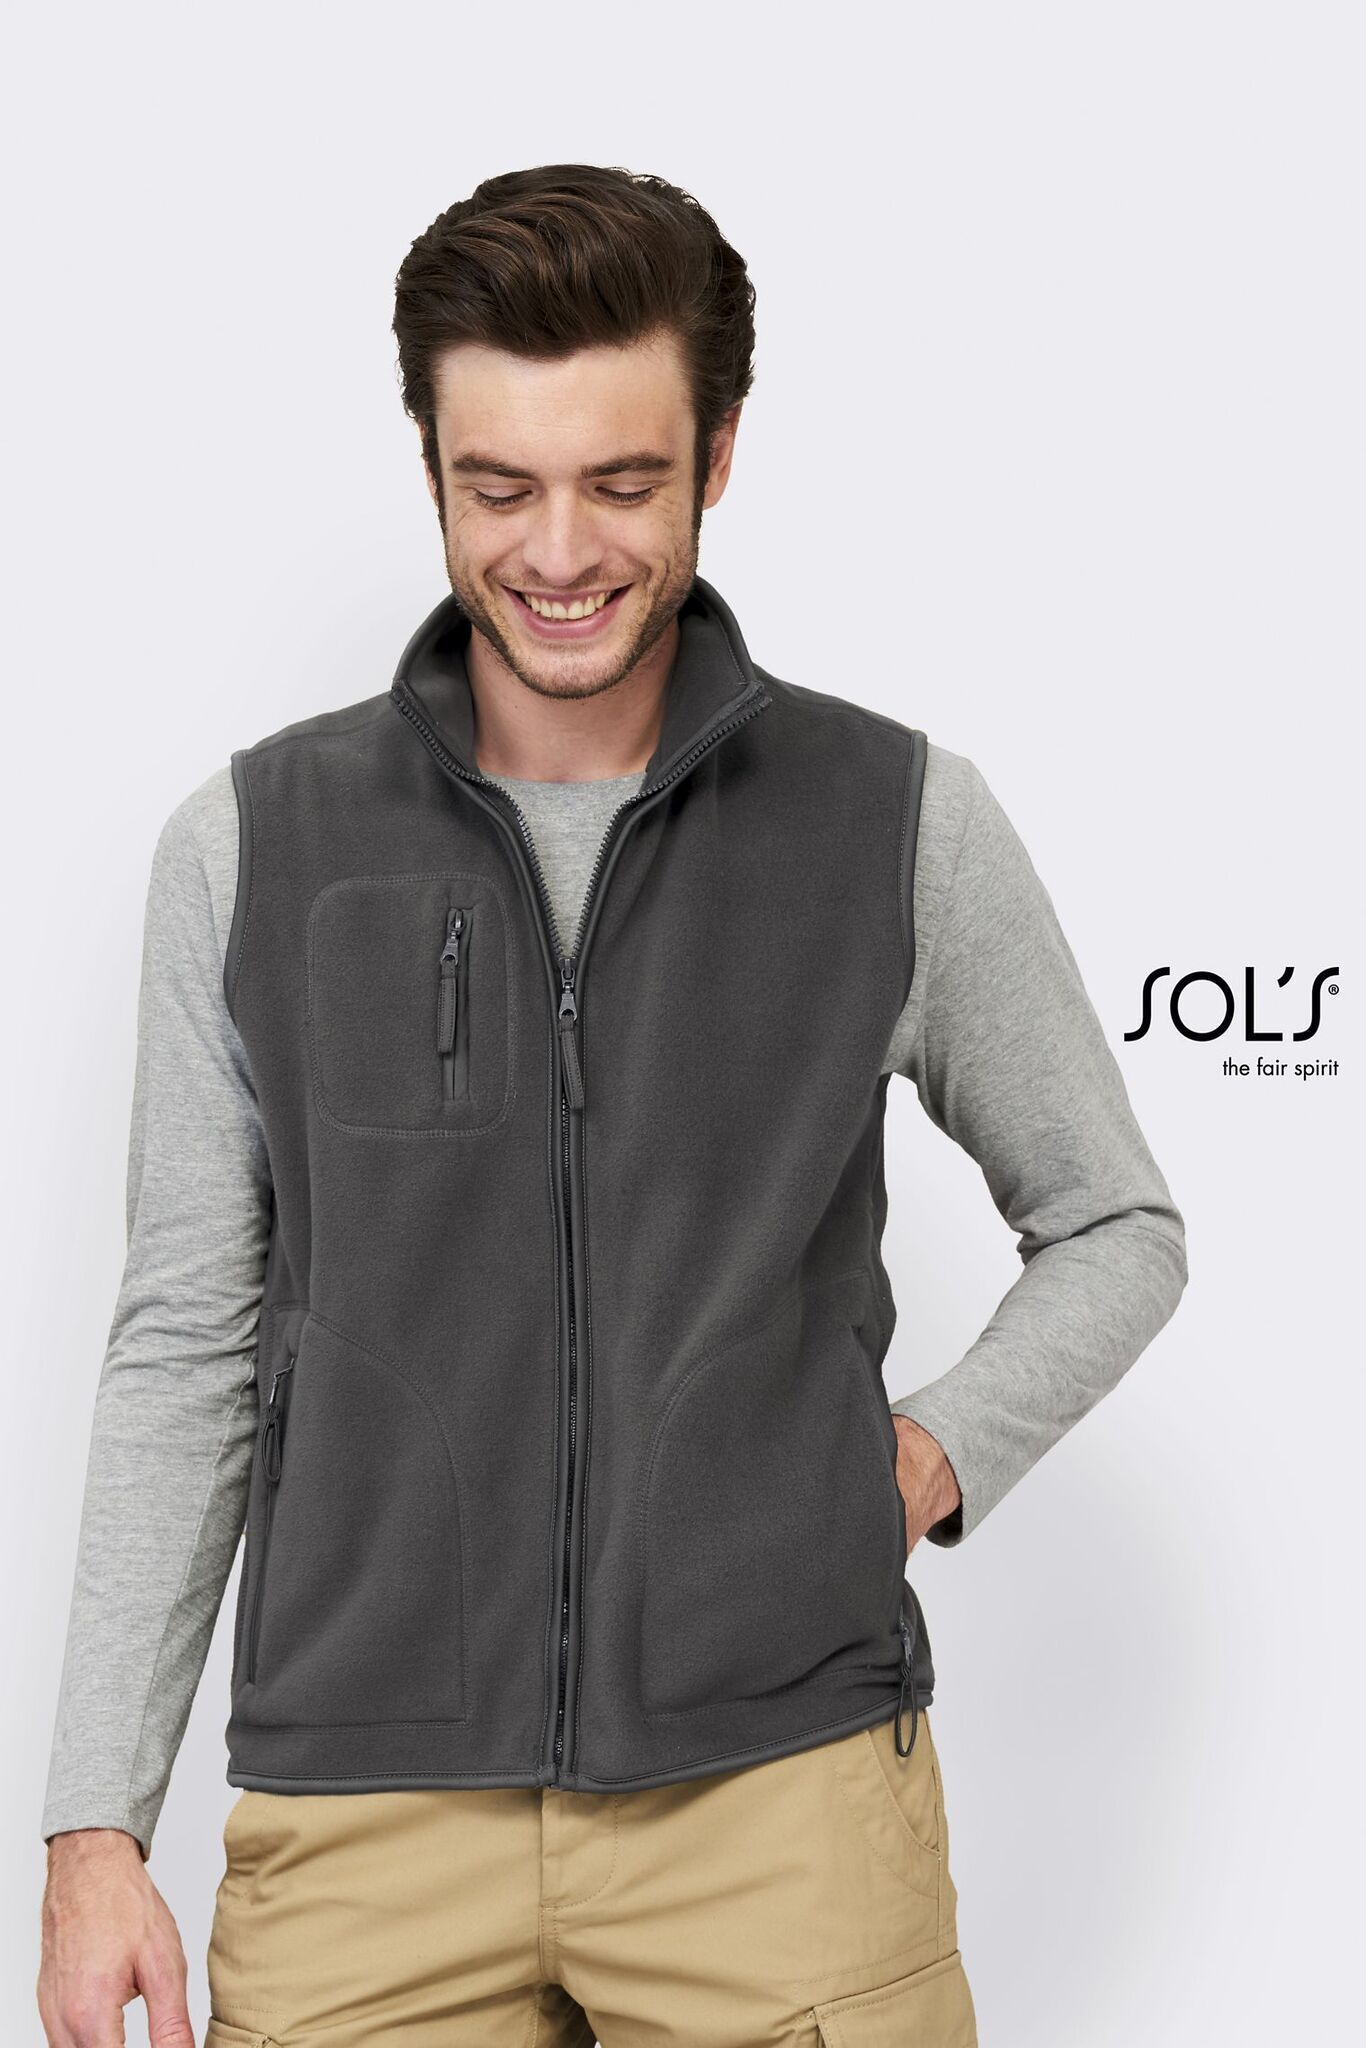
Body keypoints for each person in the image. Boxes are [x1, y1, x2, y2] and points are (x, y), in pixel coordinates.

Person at [37, 164, 1188, 2048]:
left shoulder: (894, 823)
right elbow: (186, 1344)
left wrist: (919, 1456)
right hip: (361, 1814)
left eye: (623, 483)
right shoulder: (250, 846)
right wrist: (95, 1828)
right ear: (430, 468)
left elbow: (1114, 1226)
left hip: (780, 1801)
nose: (558, 551)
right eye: (498, 487)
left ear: (717, 456)